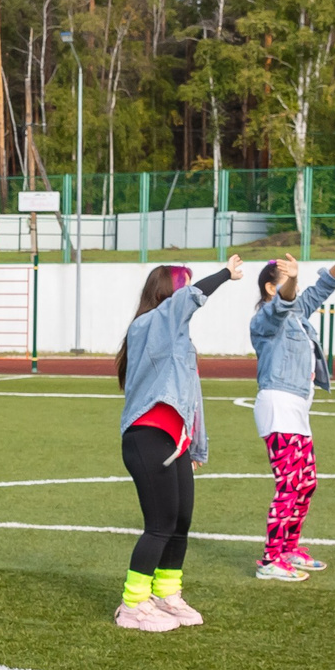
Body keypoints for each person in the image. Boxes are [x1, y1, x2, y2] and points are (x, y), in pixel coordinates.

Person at [114, 257, 245, 630]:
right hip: (147, 437)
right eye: (181, 286)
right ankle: (132, 604)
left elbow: (192, 397)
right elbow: (186, 301)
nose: (188, 293)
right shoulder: (149, 325)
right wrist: (224, 275)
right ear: (166, 293)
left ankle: (167, 594)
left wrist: (196, 447)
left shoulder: (180, 337)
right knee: (159, 523)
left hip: (175, 442)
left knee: (181, 522)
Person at [245, 243, 335, 582]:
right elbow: (284, 303)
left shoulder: (296, 316)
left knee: (306, 484)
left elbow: (320, 290)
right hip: (278, 407)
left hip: (296, 410)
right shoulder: (265, 319)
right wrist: (290, 282)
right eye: (285, 279)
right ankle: (270, 559)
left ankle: (289, 548)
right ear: (269, 287)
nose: (293, 284)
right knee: (289, 486)